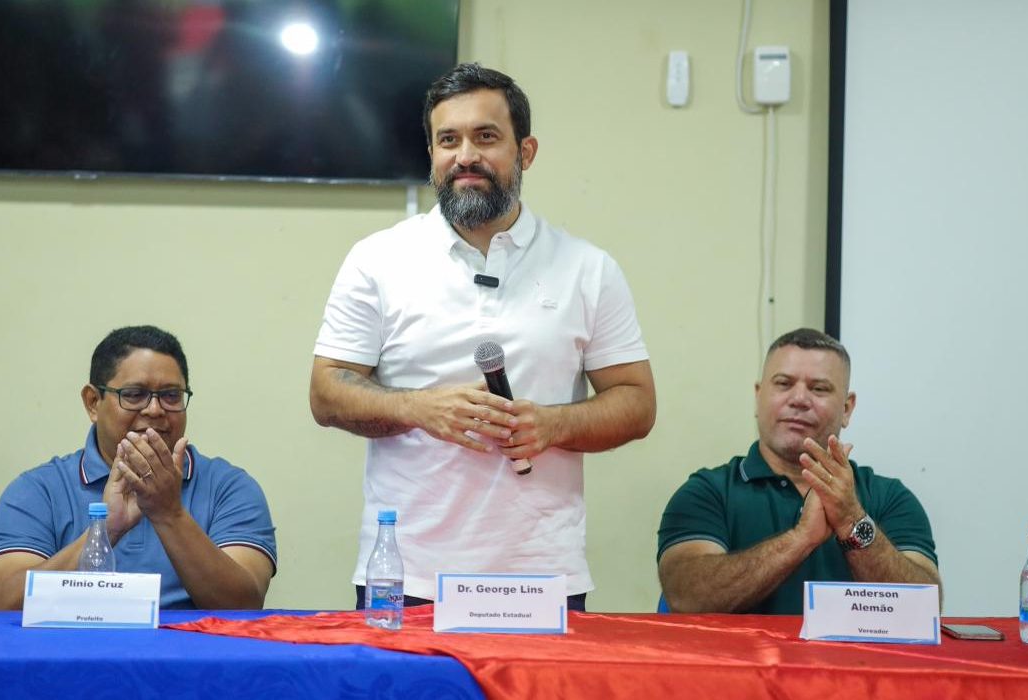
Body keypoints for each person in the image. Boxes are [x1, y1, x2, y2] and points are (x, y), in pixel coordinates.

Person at [310, 63, 656, 611]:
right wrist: (419, 409)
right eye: (448, 140)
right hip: (406, 575)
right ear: (432, 154)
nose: (464, 155)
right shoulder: (377, 259)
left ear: (527, 152)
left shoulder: (588, 268)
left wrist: (554, 423)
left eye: (486, 137)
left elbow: (637, 404)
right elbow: (327, 394)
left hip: (542, 578)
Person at [0, 326, 276, 610]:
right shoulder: (38, 491)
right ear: (92, 402)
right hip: (74, 654)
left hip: (189, 654)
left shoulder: (229, 488)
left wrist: (168, 513)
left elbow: (244, 605)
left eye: (171, 395)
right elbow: (4, 605)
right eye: (135, 394)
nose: (154, 409)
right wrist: (103, 532)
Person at [657, 328, 941, 614]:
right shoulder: (708, 491)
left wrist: (851, 519)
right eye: (783, 383)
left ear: (847, 408)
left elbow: (924, 608)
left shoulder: (889, 496)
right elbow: (687, 598)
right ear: (758, 396)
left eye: (819, 388)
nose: (799, 399)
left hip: (852, 661)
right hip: (742, 660)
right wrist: (801, 539)